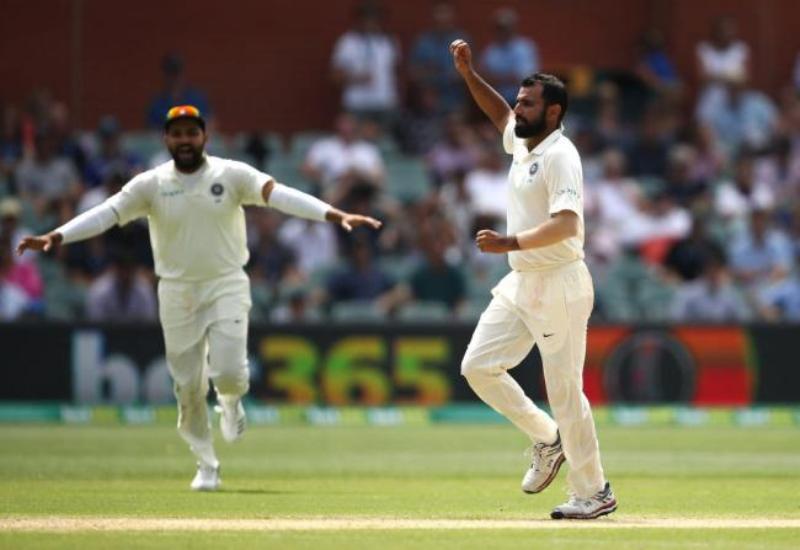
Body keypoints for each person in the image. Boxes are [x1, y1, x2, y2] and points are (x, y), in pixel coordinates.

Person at [17, 105, 381, 491]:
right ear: (166, 139)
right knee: (187, 387)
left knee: (229, 373)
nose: (185, 140)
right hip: (176, 291)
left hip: (226, 283)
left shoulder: (230, 174)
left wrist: (334, 214)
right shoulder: (151, 184)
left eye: (192, 133)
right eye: (177, 134)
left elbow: (279, 195)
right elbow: (107, 213)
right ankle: (206, 464)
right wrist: (57, 235)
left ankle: (231, 401)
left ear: (204, 136)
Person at [450, 39, 616, 520]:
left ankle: (594, 491)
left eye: (527, 104)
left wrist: (509, 242)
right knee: (478, 366)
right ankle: (547, 438)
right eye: (519, 101)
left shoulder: (561, 155)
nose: (517, 109)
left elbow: (566, 224)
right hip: (522, 281)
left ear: (553, 112)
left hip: (559, 280)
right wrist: (468, 74)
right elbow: (497, 113)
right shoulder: (524, 142)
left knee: (564, 391)